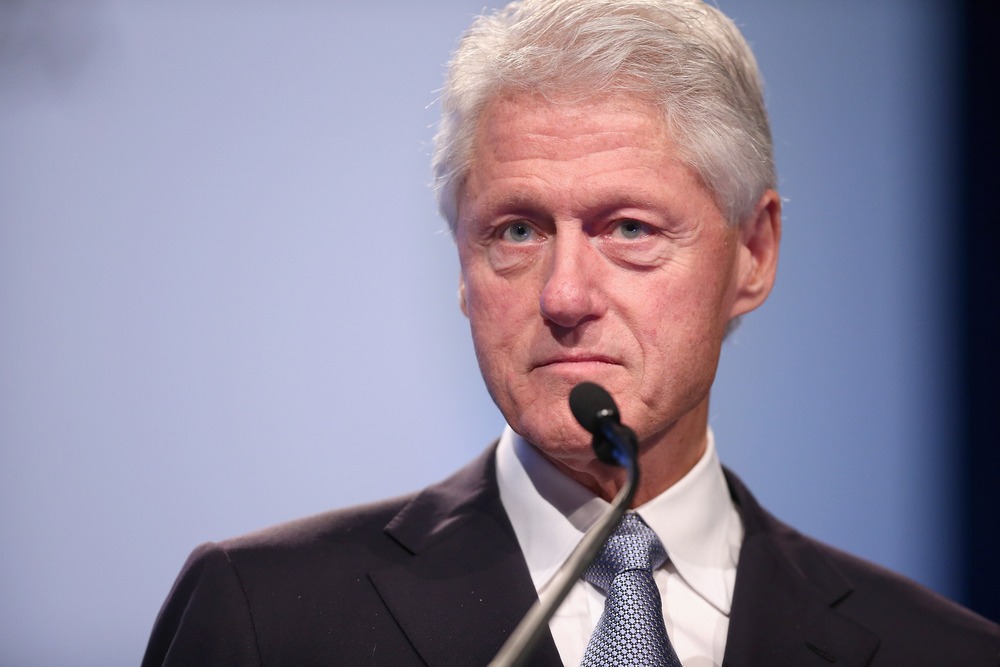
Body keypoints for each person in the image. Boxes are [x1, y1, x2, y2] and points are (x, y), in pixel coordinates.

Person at [142, 1, 1000, 665]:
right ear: (463, 263)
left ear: (754, 252)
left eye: (628, 228)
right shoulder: (268, 617)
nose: (563, 294)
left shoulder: (941, 651)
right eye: (515, 230)